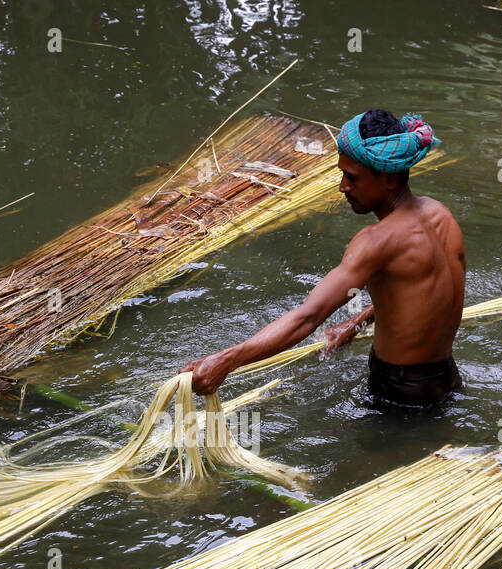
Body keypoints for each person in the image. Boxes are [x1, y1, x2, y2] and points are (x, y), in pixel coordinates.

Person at [180, 108, 466, 411]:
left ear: (390, 178)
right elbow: (420, 297)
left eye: (353, 178)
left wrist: (226, 361)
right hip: (445, 381)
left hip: (398, 397)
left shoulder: (376, 241)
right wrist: (355, 322)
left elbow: (308, 317)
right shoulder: (441, 217)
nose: (343, 186)